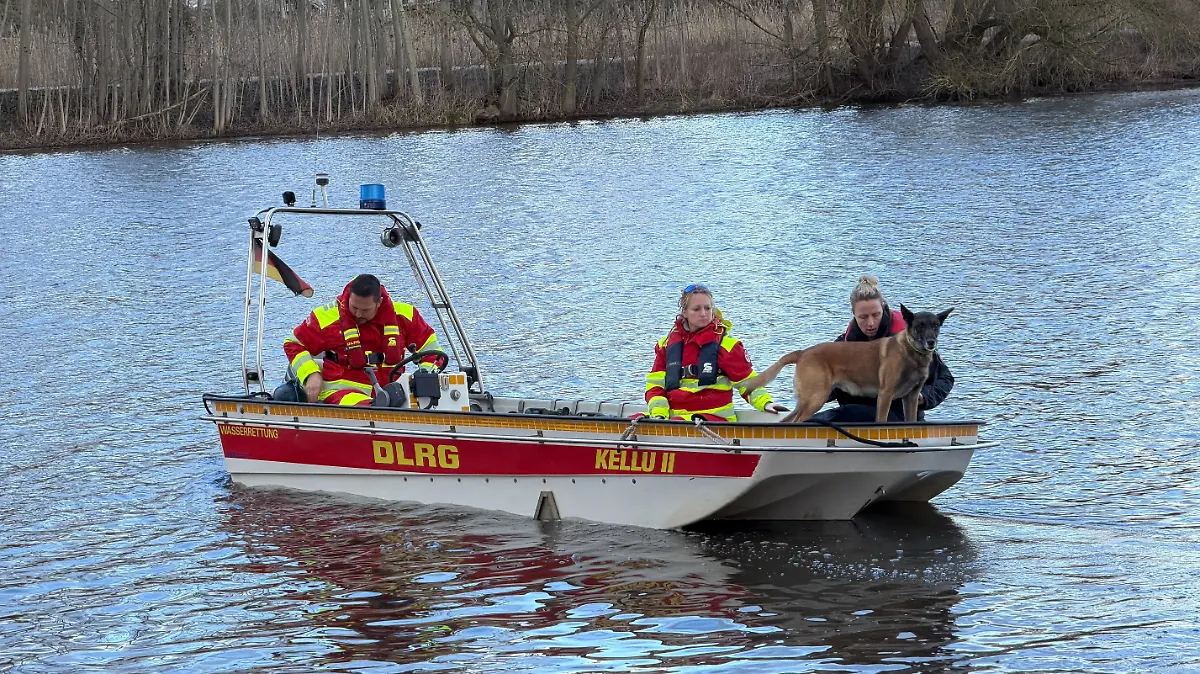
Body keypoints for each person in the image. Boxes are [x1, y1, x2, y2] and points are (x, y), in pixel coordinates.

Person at [283, 274, 445, 406]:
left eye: (365, 310)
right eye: (354, 307)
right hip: (342, 391)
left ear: (379, 302)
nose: (358, 315)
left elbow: (432, 351)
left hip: (394, 392)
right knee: (370, 411)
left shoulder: (405, 315)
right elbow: (293, 344)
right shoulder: (327, 317)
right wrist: (311, 374)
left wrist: (424, 376)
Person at [812, 275, 954, 423]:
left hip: (897, 418)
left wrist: (923, 397)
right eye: (863, 317)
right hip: (853, 419)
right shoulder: (843, 344)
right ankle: (798, 427)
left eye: (876, 315)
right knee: (844, 413)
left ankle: (799, 428)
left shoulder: (912, 343)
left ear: (883, 308)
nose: (871, 323)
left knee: (843, 414)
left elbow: (946, 379)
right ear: (854, 314)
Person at [645, 283, 787, 422]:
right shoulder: (666, 345)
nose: (704, 314)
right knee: (636, 421)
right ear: (684, 312)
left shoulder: (727, 346)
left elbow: (747, 383)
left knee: (677, 422)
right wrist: (659, 416)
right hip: (675, 418)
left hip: (715, 421)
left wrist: (766, 403)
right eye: (696, 309)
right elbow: (655, 386)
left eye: (707, 308)